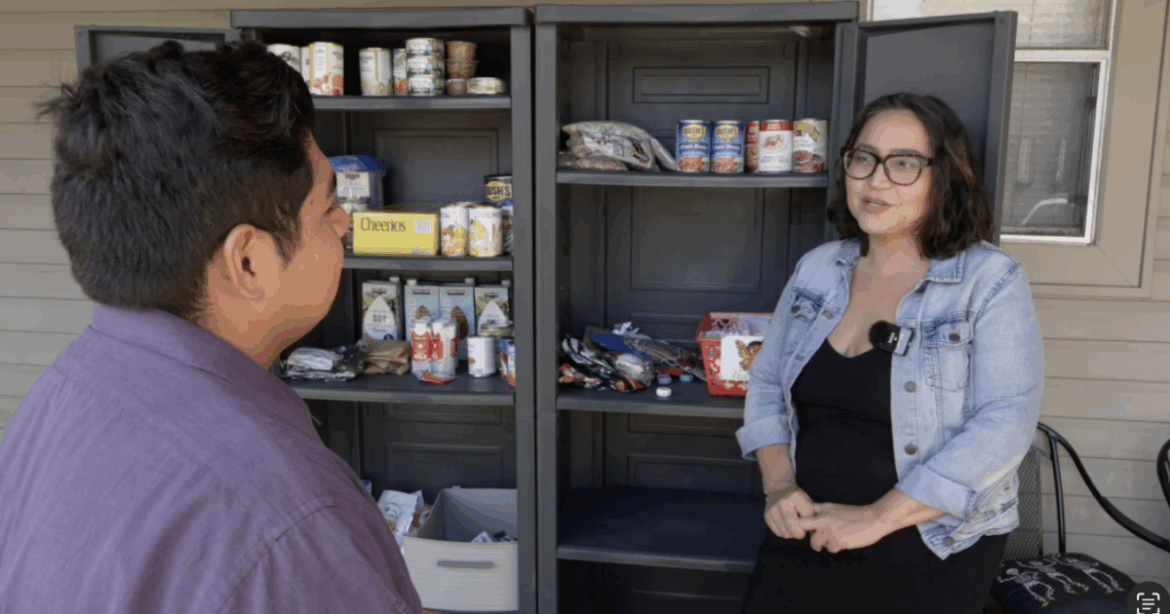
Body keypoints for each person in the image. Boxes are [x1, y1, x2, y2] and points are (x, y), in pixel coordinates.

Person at [0, 41, 423, 613]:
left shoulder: (62, 395)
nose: (345, 222)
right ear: (247, 261)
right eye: (327, 207)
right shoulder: (289, 522)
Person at [736, 92, 1044, 613]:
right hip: (808, 525)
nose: (876, 181)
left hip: (932, 539)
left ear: (946, 175)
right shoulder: (818, 269)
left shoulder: (988, 281)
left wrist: (877, 517)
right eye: (863, 158)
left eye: (904, 163)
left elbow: (1006, 421)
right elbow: (765, 383)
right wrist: (779, 487)